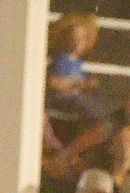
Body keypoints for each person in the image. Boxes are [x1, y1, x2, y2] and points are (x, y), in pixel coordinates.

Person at [46, 14, 109, 143]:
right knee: (87, 106)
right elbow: (54, 83)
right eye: (74, 38)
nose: (78, 43)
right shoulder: (62, 60)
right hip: (62, 98)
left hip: (75, 97)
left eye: (82, 39)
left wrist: (87, 84)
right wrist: (77, 86)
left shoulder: (78, 63)